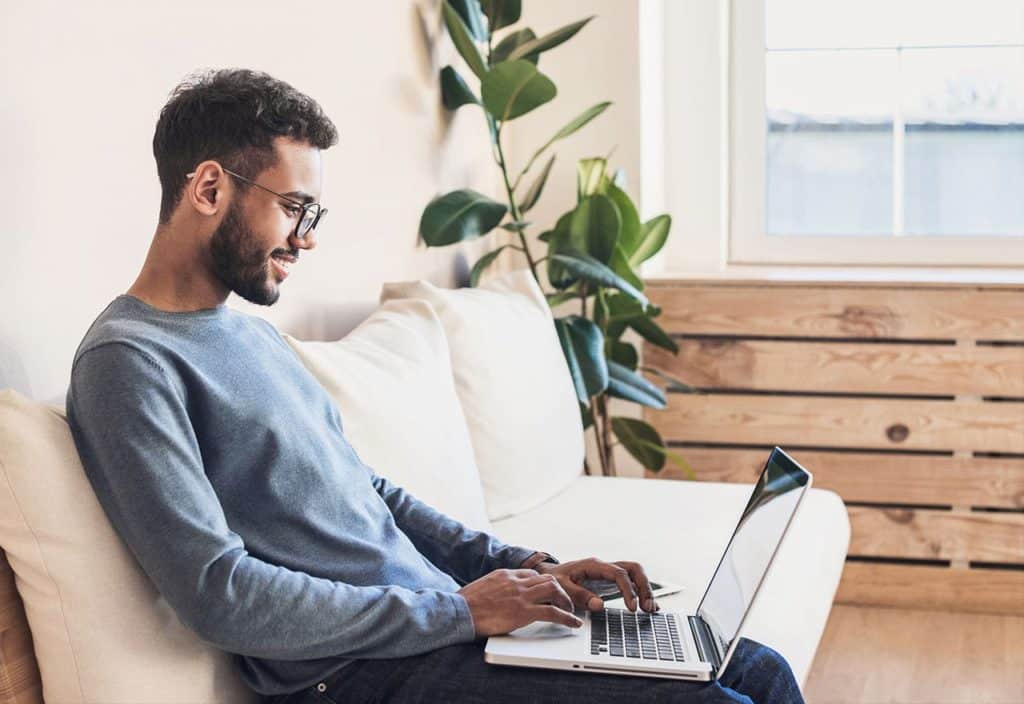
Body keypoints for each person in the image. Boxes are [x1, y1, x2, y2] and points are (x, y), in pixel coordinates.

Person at [65, 68, 804, 704]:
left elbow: (369, 494)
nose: (308, 237)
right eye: (294, 208)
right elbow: (219, 591)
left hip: (436, 632)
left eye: (312, 213)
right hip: (357, 676)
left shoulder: (251, 334)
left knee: (755, 666)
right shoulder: (128, 363)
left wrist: (521, 569)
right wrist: (460, 612)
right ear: (208, 188)